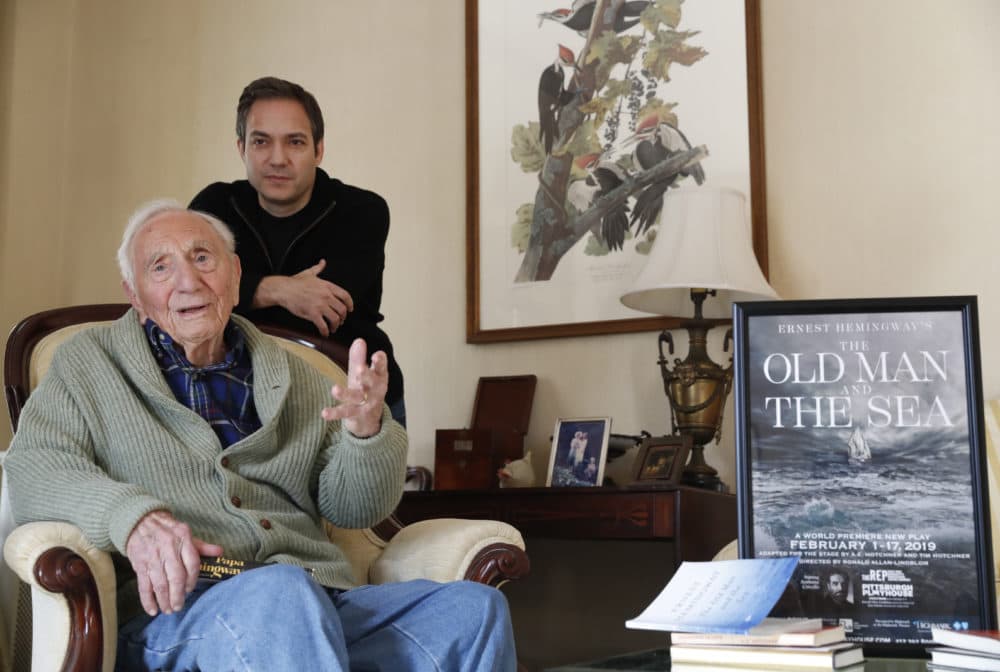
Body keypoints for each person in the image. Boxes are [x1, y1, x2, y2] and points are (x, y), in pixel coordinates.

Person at [4, 200, 515, 671]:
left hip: (318, 595)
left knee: (472, 609)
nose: (188, 281)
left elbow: (355, 509)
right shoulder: (86, 364)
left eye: (203, 257)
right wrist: (131, 519)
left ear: (235, 272)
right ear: (135, 295)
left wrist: (366, 433)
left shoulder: (297, 374)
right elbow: (35, 470)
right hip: (178, 611)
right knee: (280, 593)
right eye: (160, 267)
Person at [189, 76, 406, 426]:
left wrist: (237, 290)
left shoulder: (363, 211)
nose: (278, 159)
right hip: (239, 399)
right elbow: (191, 294)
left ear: (318, 150)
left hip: (346, 397)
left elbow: (329, 308)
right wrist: (280, 290)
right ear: (242, 148)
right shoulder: (213, 207)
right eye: (261, 142)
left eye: (295, 142)